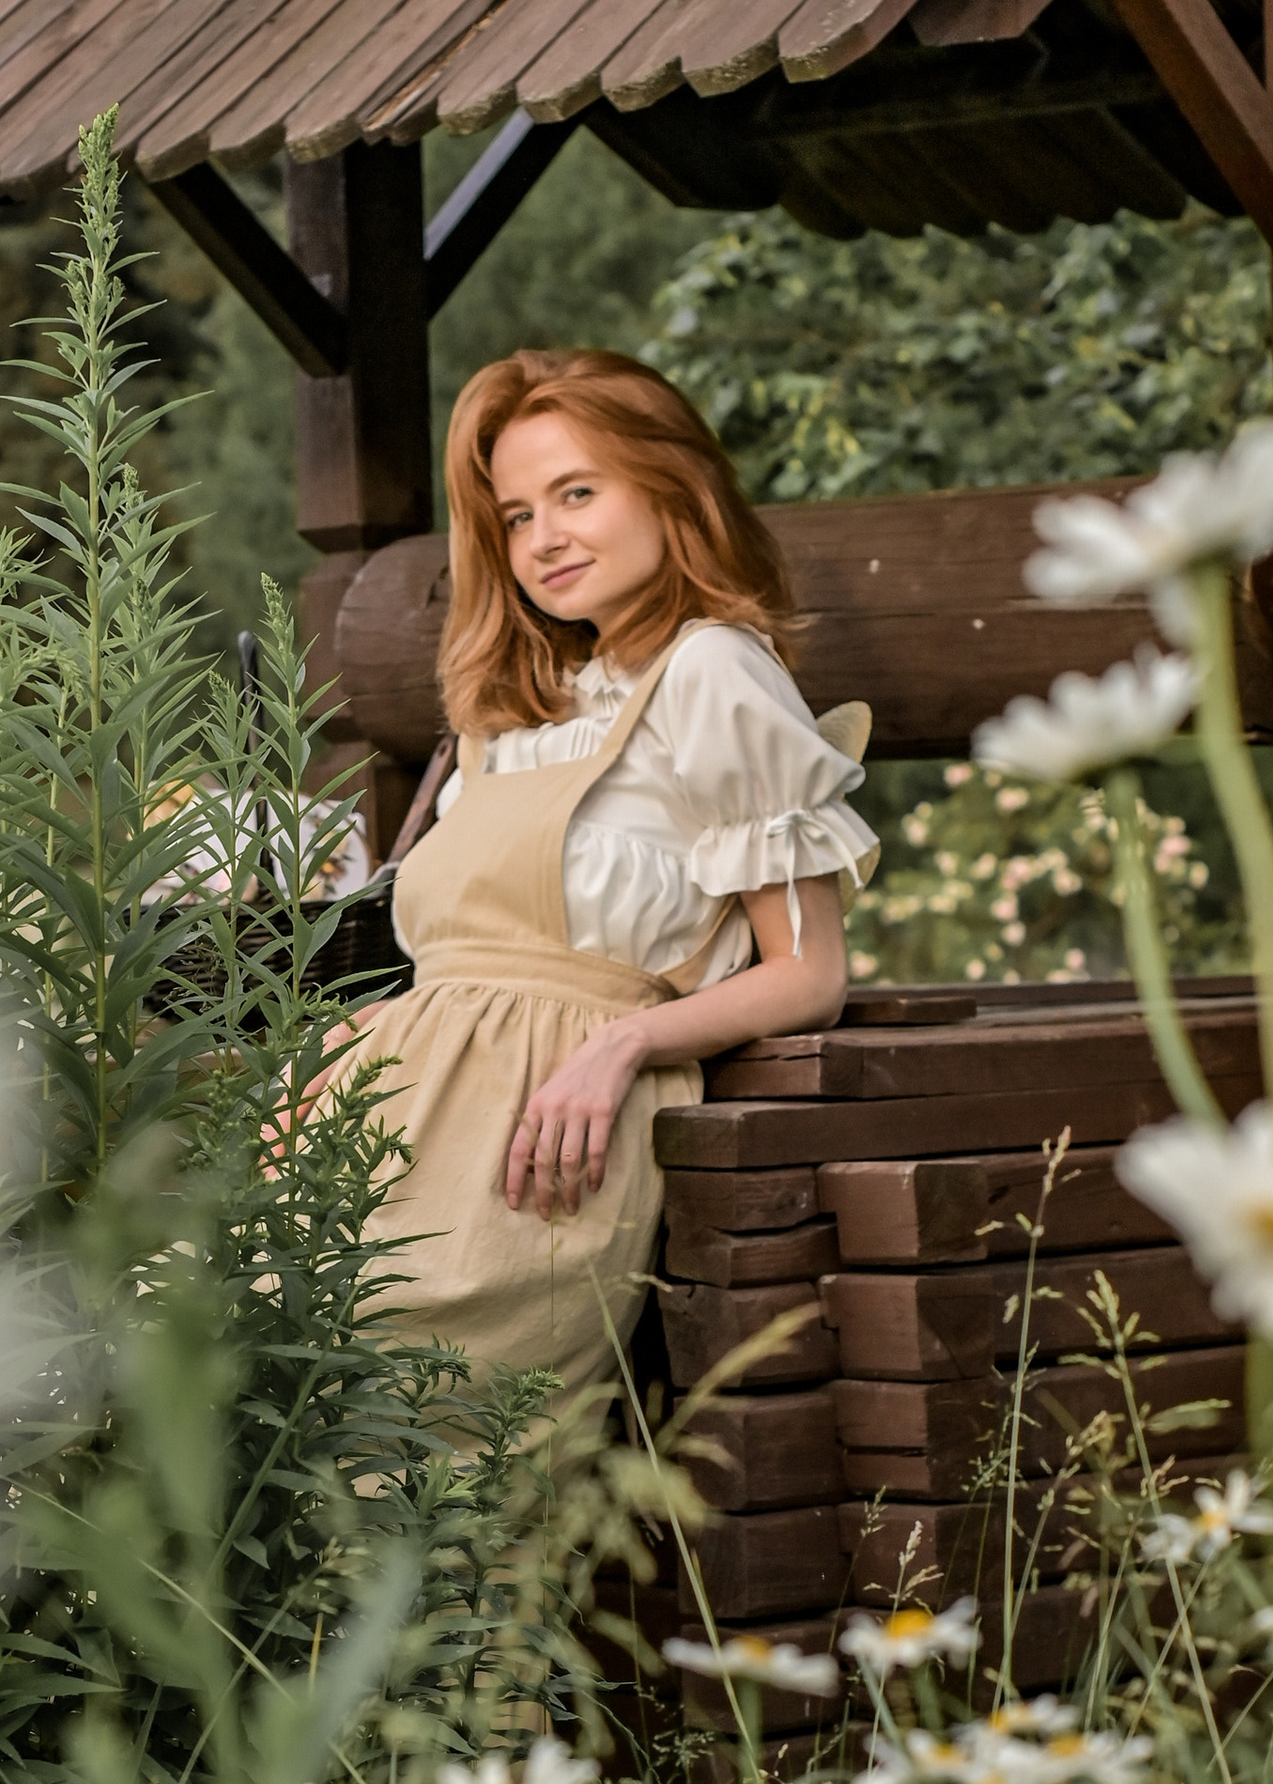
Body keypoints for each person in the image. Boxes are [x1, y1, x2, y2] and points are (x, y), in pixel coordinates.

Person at [323, 346, 876, 1390]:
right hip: (390, 1121)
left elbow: (808, 973)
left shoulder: (711, 671)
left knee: (395, 1426)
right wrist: (335, 1056)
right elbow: (459, 976)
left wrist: (623, 1044)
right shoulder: (513, 709)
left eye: (576, 492)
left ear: (674, 488)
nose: (543, 539)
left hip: (537, 1155)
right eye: (517, 515)